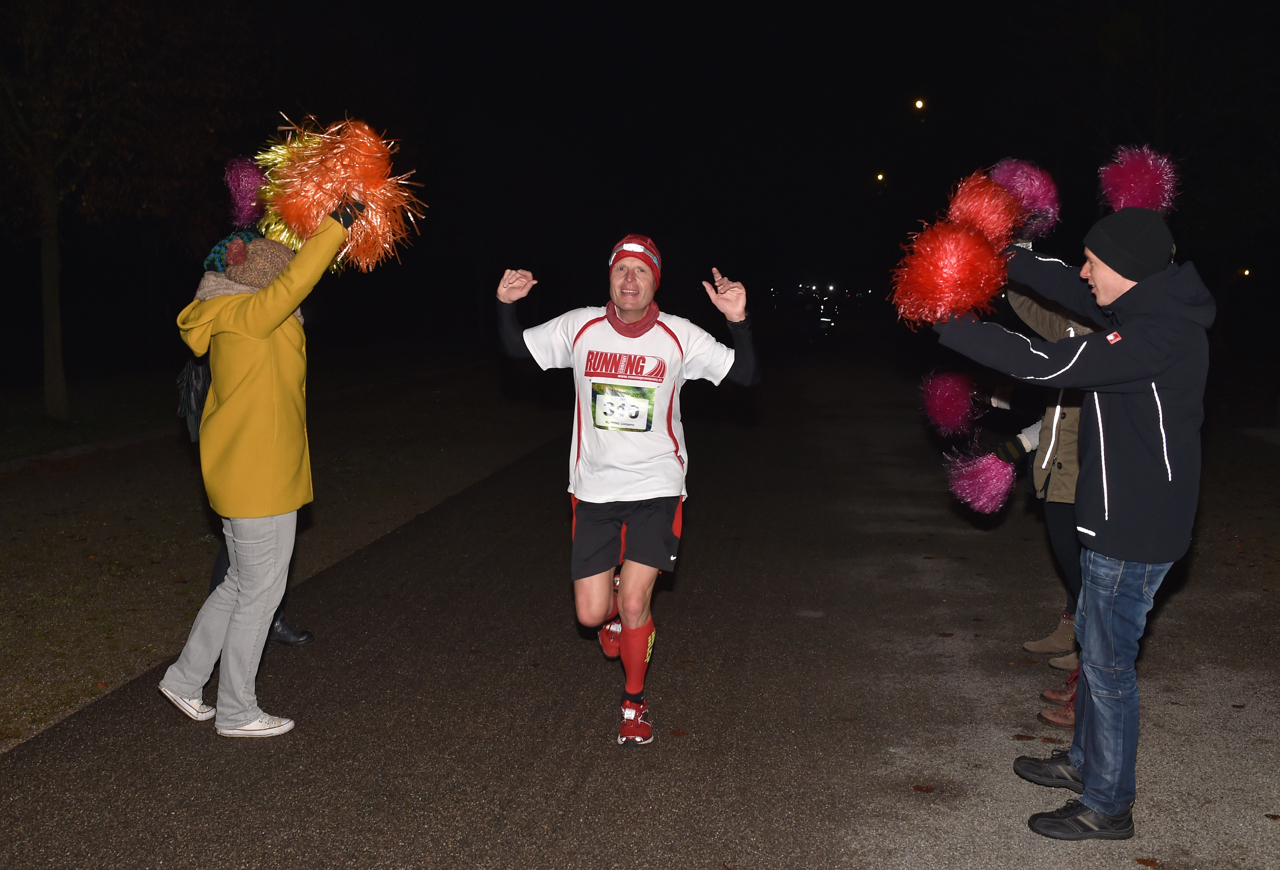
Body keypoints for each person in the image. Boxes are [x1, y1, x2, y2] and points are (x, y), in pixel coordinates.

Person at [935, 207, 1214, 839]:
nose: (1084, 271)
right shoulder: (1145, 307)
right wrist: (1000, 257)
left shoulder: (1157, 335)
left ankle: (1108, 804)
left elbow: (1046, 363)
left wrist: (947, 318)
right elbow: (1063, 282)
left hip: (1133, 529)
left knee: (1110, 671)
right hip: (1117, 521)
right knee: (1095, 649)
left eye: (1095, 262)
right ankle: (1086, 764)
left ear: (1128, 270)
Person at [496, 234, 759, 745]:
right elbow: (515, 348)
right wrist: (506, 306)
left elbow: (746, 374)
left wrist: (738, 320)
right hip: (592, 490)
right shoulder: (581, 327)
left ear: (655, 282)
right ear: (610, 281)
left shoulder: (678, 336)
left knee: (636, 602)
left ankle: (634, 703)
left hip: (657, 487)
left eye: (641, 271)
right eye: (622, 271)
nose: (631, 280)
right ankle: (613, 611)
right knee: (592, 614)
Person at [158, 207, 357, 737]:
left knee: (236, 585)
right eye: (278, 267)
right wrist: (337, 225)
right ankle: (237, 709)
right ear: (259, 276)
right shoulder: (249, 315)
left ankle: (184, 678)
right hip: (259, 480)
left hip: (243, 473)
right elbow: (296, 282)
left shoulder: (229, 315)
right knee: (260, 592)